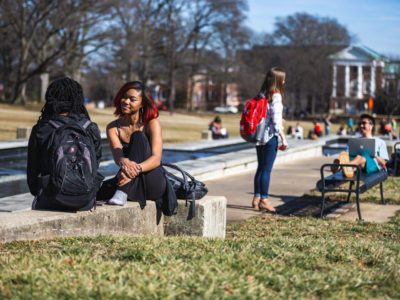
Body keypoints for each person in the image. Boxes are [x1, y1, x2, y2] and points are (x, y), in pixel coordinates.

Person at [27, 77, 102, 210]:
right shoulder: (90, 127)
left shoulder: (42, 128)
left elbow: (33, 170)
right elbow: (96, 162)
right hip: (86, 201)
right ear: (78, 98)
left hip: (50, 199)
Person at [96, 81, 166, 207]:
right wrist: (125, 163)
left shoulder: (152, 123)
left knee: (138, 137)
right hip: (128, 177)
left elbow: (156, 159)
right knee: (98, 191)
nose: (126, 101)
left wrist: (135, 170)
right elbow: (118, 157)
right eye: (124, 97)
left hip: (152, 180)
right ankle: (123, 191)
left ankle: (122, 193)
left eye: (132, 99)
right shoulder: (113, 127)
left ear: (142, 103)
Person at [251, 67, 288, 213]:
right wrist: (284, 139)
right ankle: (265, 200)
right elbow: (277, 123)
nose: (285, 81)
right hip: (270, 137)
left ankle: (256, 197)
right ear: (278, 81)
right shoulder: (276, 96)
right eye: (283, 79)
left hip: (259, 136)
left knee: (260, 168)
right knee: (266, 170)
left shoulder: (262, 94)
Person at [332, 114, 389, 178]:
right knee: (349, 155)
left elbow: (384, 163)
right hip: (358, 166)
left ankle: (343, 167)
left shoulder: (380, 142)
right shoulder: (355, 141)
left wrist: (374, 155)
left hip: (373, 167)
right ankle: (348, 168)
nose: (361, 126)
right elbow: (347, 155)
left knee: (363, 155)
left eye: (364, 123)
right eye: (360, 124)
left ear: (371, 126)